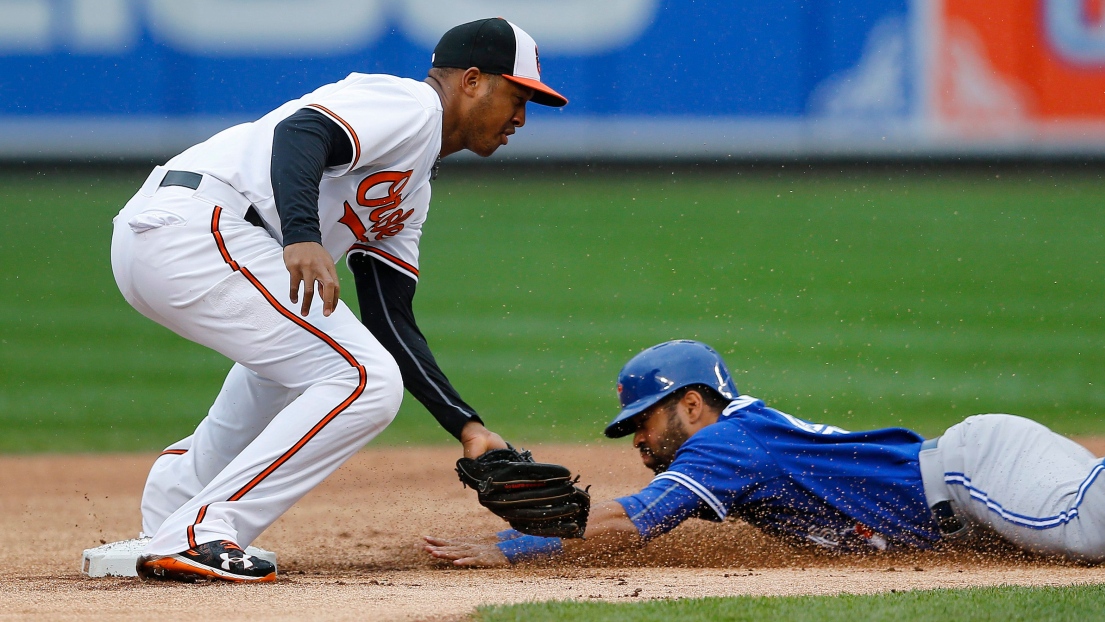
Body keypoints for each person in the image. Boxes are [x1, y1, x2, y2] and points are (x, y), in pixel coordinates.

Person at [110, 17, 568, 583]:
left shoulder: (411, 187)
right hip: (200, 226)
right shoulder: (411, 107)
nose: (522, 117)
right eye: (518, 96)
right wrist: (302, 235)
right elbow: (301, 133)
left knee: (300, 371)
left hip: (181, 236)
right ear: (472, 81)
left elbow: (388, 318)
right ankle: (201, 529)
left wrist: (468, 428)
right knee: (365, 382)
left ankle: (171, 515)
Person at [425, 339, 1105, 566]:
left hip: (974, 473)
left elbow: (632, 522)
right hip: (969, 500)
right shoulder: (736, 439)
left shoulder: (724, 443)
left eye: (643, 418)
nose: (635, 437)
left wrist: (511, 544)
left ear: (691, 405)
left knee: (1091, 532)